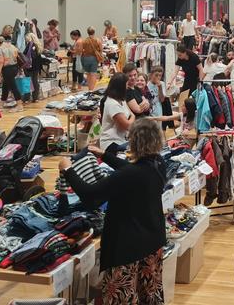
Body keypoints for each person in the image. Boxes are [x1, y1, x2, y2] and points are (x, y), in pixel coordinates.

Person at [59, 118, 165, 305]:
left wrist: (68, 170)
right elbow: (131, 170)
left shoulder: (127, 175)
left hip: (127, 248)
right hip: (152, 241)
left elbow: (91, 196)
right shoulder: (158, 164)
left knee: (121, 298)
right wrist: (104, 155)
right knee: (149, 294)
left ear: (134, 142)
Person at [98, 73, 134, 154]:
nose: (127, 87)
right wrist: (132, 117)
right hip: (111, 142)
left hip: (122, 140)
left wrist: (132, 116)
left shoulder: (121, 100)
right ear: (121, 87)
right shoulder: (112, 104)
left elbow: (131, 115)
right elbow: (128, 126)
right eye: (126, 84)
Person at [0, 36, 24, 107]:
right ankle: (2, 103)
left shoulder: (1, 49)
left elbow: (0, 62)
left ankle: (20, 105)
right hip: (15, 67)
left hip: (7, 69)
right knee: (5, 86)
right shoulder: (12, 46)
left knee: (13, 87)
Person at [79, 27, 104, 92]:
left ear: (87, 32)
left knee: (88, 74)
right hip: (94, 58)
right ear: (94, 32)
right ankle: (91, 90)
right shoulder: (98, 40)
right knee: (93, 74)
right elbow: (101, 50)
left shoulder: (84, 41)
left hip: (85, 58)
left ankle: (89, 89)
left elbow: (81, 50)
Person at [23, 31, 44, 103]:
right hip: (36, 66)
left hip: (29, 66)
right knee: (35, 81)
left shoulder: (30, 45)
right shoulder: (38, 45)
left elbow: (26, 54)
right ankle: (35, 98)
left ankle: (26, 98)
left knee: (27, 81)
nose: (26, 40)